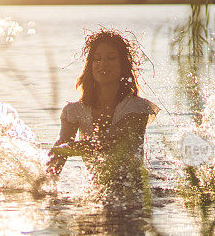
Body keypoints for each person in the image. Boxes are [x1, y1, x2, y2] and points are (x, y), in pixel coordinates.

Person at [46, 28, 159, 181]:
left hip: (134, 192)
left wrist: (69, 149)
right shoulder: (74, 111)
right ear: (90, 66)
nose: (103, 64)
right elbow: (59, 152)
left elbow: (112, 141)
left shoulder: (136, 109)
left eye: (111, 58)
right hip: (97, 191)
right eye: (97, 59)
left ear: (123, 65)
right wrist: (43, 185)